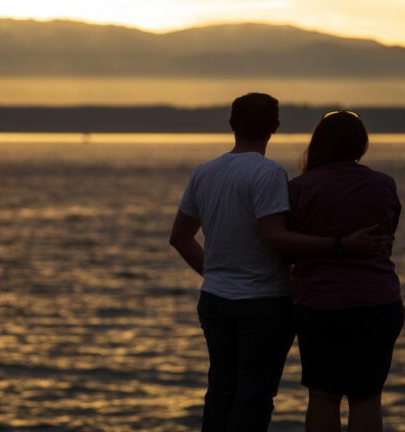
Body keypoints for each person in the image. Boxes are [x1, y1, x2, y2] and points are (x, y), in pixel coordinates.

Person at [168, 94, 391, 432]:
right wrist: (340, 245)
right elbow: (275, 236)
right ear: (275, 126)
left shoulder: (205, 171)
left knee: (221, 390)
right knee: (254, 396)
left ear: (231, 124)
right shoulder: (269, 173)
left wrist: (214, 274)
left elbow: (180, 237)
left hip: (215, 299)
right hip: (263, 302)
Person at [287, 110, 404, 432]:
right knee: (367, 397)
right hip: (378, 302)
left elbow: (287, 244)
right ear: (361, 145)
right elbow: (388, 232)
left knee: (323, 395)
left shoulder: (299, 188)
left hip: (319, 303)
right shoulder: (383, 184)